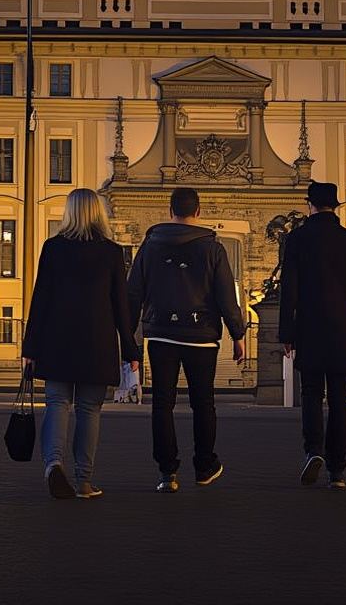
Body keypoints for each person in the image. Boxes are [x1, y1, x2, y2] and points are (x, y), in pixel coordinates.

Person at [127, 187, 246, 492]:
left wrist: (129, 338)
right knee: (203, 403)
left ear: (170, 211)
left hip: (161, 334)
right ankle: (204, 466)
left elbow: (134, 292)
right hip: (201, 336)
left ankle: (167, 472)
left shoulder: (150, 246)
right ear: (198, 211)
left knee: (162, 404)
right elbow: (226, 296)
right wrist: (238, 334)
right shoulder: (213, 248)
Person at [22, 189, 139, 500]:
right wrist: (130, 350)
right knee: (89, 410)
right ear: (98, 213)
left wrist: (30, 348)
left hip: (56, 340)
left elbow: (40, 299)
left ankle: (53, 464)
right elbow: (121, 306)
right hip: (97, 342)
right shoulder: (111, 252)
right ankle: (84, 481)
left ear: (69, 212)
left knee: (57, 403)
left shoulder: (53, 248)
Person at [280, 181, 346, 491]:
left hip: (309, 327)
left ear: (310, 205)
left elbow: (289, 290)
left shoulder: (296, 239)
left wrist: (286, 332)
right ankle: (338, 469)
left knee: (311, 393)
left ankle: (314, 450)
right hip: (342, 329)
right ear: (335, 206)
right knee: (339, 399)